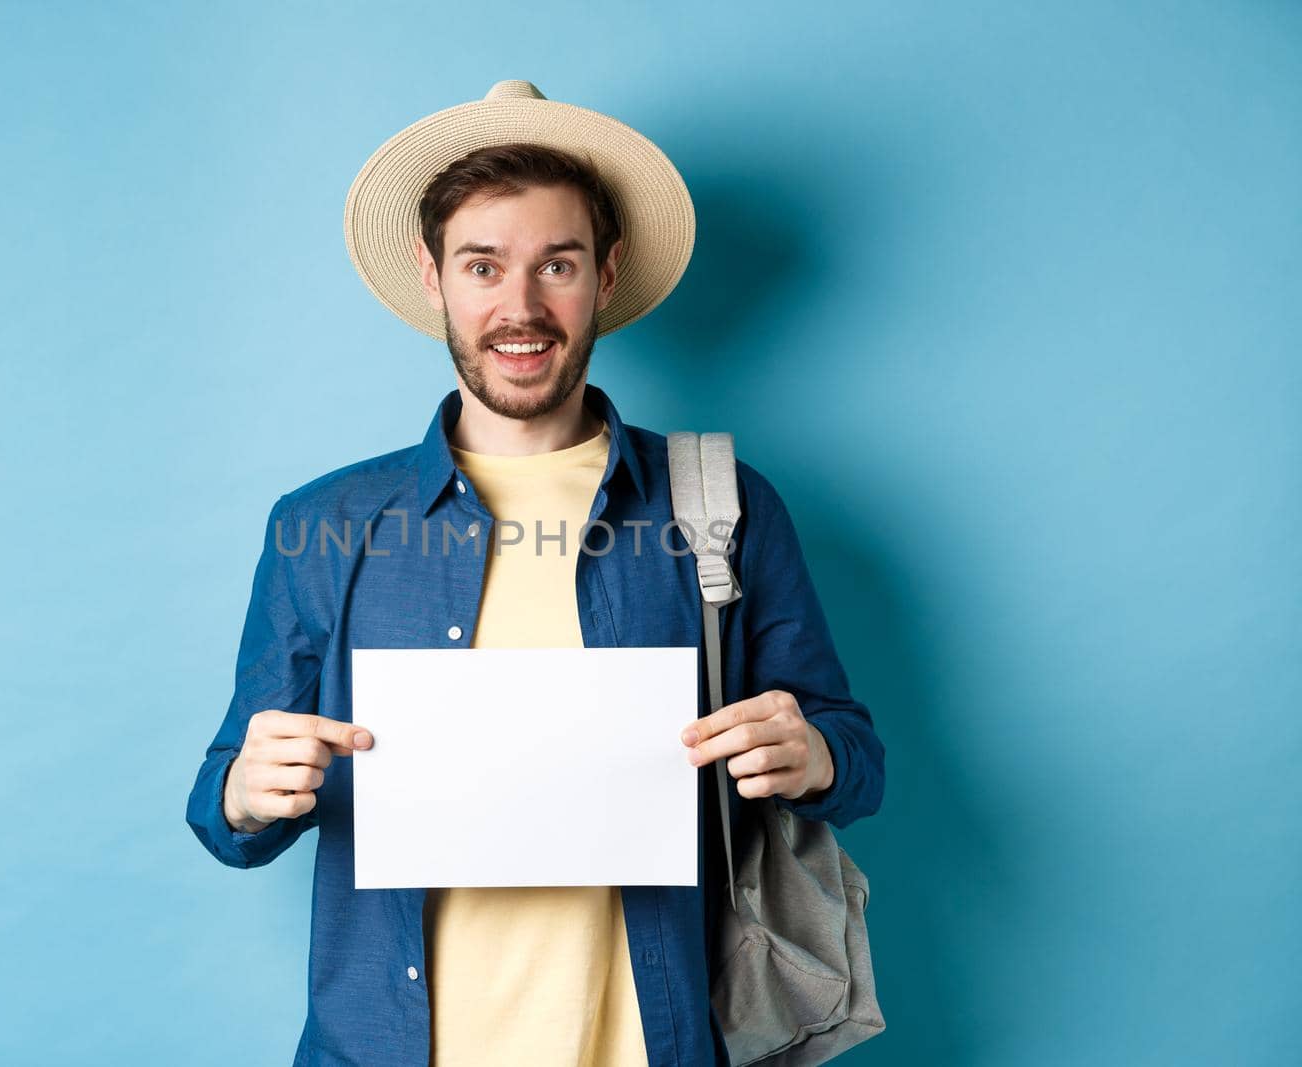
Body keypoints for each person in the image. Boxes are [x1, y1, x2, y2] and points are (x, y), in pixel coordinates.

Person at [185, 79, 885, 1067]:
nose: (519, 308)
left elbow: (853, 755)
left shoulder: (720, 504)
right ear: (434, 279)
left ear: (604, 276)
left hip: (656, 1040)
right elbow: (224, 810)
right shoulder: (323, 526)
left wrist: (811, 753)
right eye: (483, 266)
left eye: (554, 264)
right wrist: (246, 791)